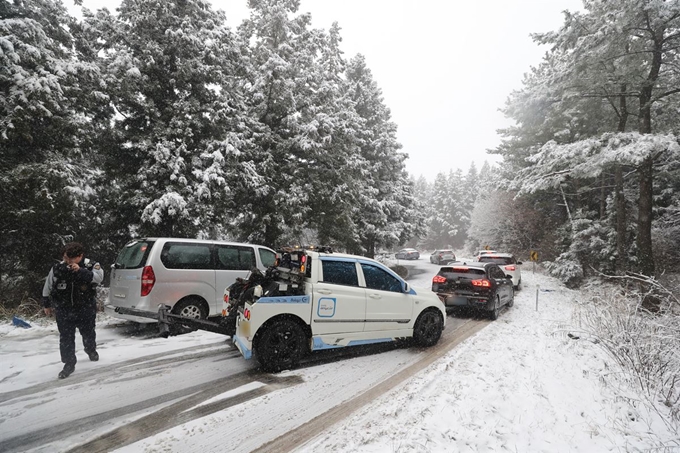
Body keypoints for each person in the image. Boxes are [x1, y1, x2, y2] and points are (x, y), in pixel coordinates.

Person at [42, 242, 104, 379]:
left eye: (71, 259)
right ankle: (69, 363)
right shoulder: (58, 268)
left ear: (80, 256)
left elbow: (99, 278)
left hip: (85, 308)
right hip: (64, 309)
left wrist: (81, 271)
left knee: (88, 332)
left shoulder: (90, 265)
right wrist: (46, 304)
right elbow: (48, 285)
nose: (68, 261)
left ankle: (90, 349)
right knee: (66, 338)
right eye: (65, 258)